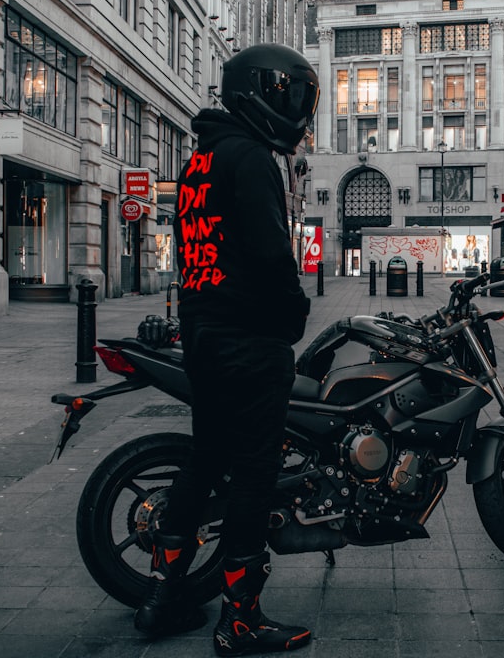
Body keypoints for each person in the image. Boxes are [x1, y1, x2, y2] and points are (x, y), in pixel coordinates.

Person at [133, 43, 318, 656]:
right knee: (253, 476)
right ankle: (240, 621)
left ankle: (161, 599)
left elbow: (193, 259)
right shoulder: (251, 159)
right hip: (250, 341)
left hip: (207, 335)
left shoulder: (199, 161)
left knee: (205, 461)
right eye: (291, 95)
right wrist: (292, 316)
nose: (297, 109)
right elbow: (271, 254)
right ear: (262, 94)